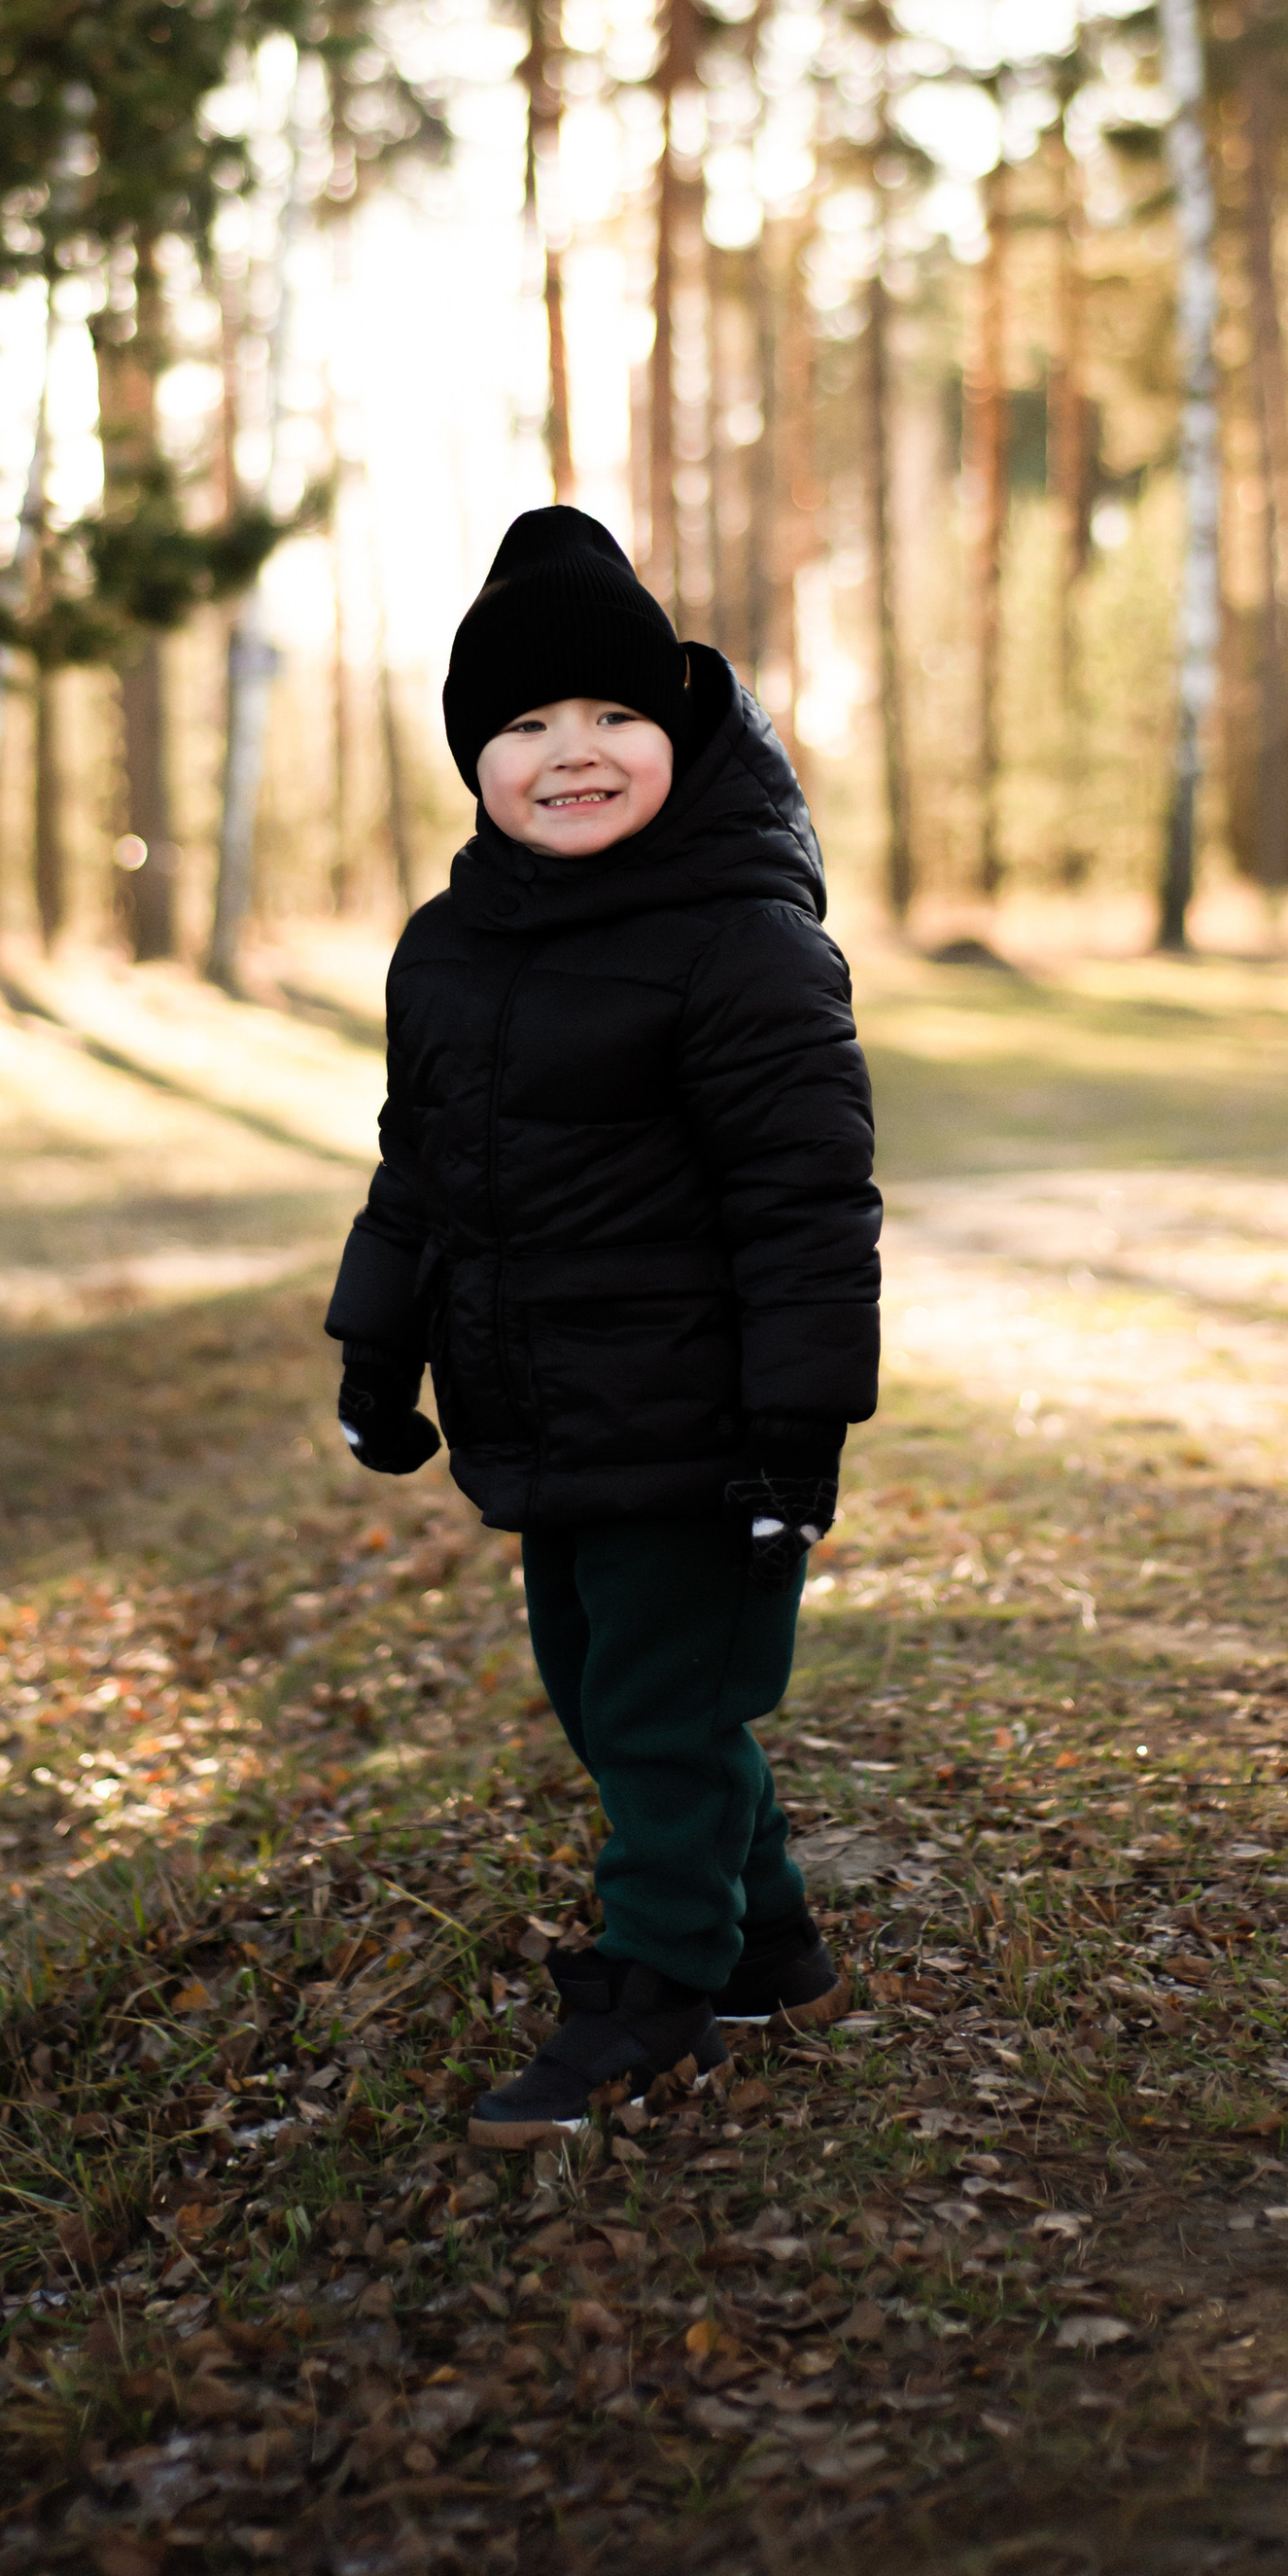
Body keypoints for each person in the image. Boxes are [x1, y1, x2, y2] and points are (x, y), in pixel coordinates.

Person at [326, 505, 882, 2149]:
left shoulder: (741, 938)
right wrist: (377, 1351)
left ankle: (660, 1986)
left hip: (702, 1429)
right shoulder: (450, 948)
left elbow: (808, 1206)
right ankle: (775, 1948)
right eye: (526, 724)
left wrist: (797, 1430)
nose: (574, 752)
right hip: (547, 1413)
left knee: (654, 1707)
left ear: (682, 724)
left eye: (616, 715)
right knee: (609, 1688)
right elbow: (417, 1173)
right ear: (474, 760)